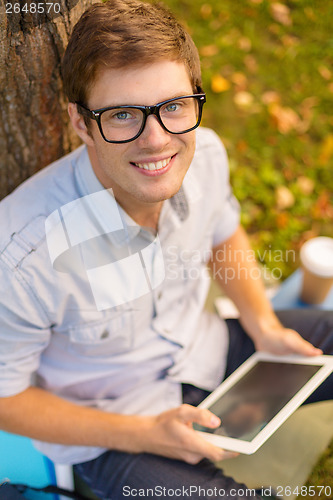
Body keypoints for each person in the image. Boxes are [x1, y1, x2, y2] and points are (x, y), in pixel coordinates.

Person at [0, 0, 332, 498]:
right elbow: (6, 397)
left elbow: (223, 233)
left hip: (206, 351)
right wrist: (143, 433)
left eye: (173, 107)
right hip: (115, 427)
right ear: (80, 123)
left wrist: (264, 326)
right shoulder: (20, 256)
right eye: (123, 115)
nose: (156, 141)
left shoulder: (206, 154)